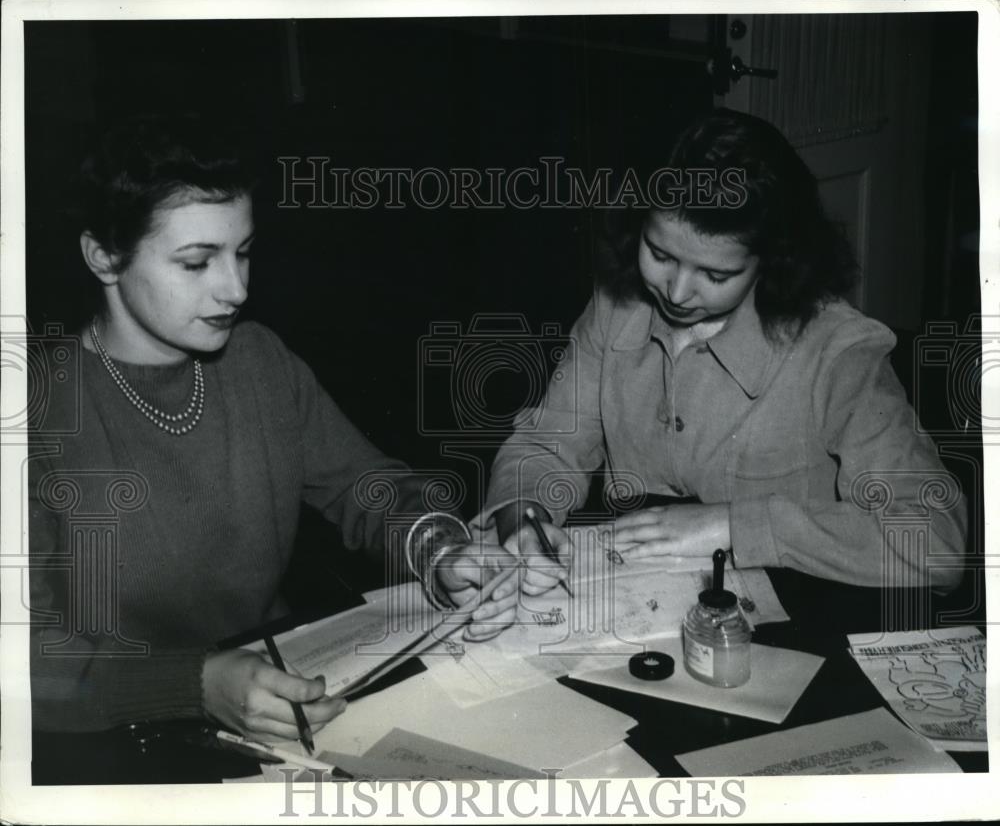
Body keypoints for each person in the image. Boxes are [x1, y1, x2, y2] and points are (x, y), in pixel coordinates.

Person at [27, 114, 517, 743]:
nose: (235, 289)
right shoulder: (36, 414)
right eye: (197, 263)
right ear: (104, 257)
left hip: (294, 693)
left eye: (244, 252)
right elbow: (25, 665)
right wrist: (196, 685)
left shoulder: (258, 359)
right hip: (120, 740)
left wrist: (440, 551)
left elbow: (367, 490)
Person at [474, 108, 966, 596]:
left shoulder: (837, 350)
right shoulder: (615, 305)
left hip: (794, 623)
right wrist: (522, 518)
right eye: (660, 254)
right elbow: (548, 446)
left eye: (716, 275)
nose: (678, 292)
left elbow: (936, 542)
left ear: (772, 261)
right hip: (639, 604)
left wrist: (737, 526)